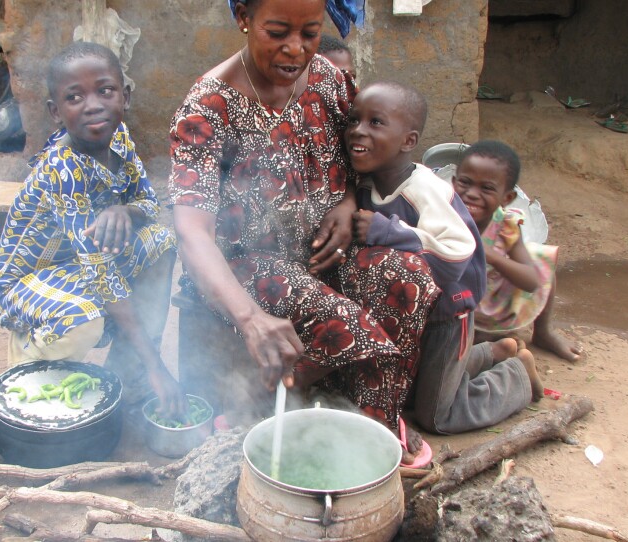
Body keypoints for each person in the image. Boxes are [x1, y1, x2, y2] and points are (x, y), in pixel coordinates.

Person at [169, 0, 438, 462]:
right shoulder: (207, 109)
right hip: (248, 274)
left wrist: (348, 201)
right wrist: (251, 319)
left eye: (309, 33)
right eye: (277, 32)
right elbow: (192, 233)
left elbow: (357, 158)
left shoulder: (328, 80)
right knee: (349, 325)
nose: (295, 49)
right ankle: (268, 405)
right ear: (244, 20)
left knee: (409, 277)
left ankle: (370, 426)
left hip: (322, 257)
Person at [0, 41, 186, 418]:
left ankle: (130, 371)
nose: (93, 104)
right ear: (55, 112)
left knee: (161, 240)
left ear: (124, 97)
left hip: (76, 265)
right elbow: (101, 275)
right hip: (24, 283)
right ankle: (29, 366)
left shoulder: (119, 138)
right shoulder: (62, 169)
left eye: (105, 90)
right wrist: (160, 364)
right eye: (74, 97)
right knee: (85, 319)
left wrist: (123, 209)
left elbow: (148, 204)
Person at [347, 82, 543, 435]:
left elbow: (456, 255)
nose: (358, 130)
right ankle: (490, 354)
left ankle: (517, 378)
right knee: (417, 385)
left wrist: (389, 232)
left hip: (448, 314)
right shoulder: (367, 182)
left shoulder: (424, 189)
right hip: (415, 311)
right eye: (353, 120)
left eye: (375, 122)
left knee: (437, 416)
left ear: (409, 141)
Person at [453, 140, 582, 362]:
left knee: (541, 260)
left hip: (495, 304)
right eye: (465, 183)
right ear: (453, 183)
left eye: (486, 188)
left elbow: (532, 281)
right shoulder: (444, 216)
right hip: (457, 306)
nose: (472, 194)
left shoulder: (505, 225)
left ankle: (542, 333)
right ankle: (496, 348)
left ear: (507, 198)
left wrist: (489, 254)